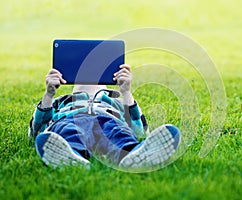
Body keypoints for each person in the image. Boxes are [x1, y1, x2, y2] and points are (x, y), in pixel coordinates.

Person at [29, 64, 180, 169]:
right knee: (68, 130)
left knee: (117, 132)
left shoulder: (116, 101)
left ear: (105, 87)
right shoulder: (61, 102)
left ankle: (132, 153)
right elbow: (37, 131)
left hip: (107, 120)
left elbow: (140, 130)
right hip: (71, 119)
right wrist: (48, 94)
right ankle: (72, 155)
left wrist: (126, 92)